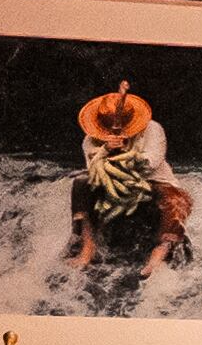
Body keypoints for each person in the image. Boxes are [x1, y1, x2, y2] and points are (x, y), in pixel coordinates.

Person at [68, 81, 192, 274]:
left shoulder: (153, 129)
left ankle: (161, 251)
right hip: (114, 185)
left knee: (176, 200)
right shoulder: (90, 140)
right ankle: (87, 245)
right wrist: (106, 150)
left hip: (153, 182)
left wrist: (125, 154)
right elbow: (94, 170)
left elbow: (151, 163)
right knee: (81, 183)